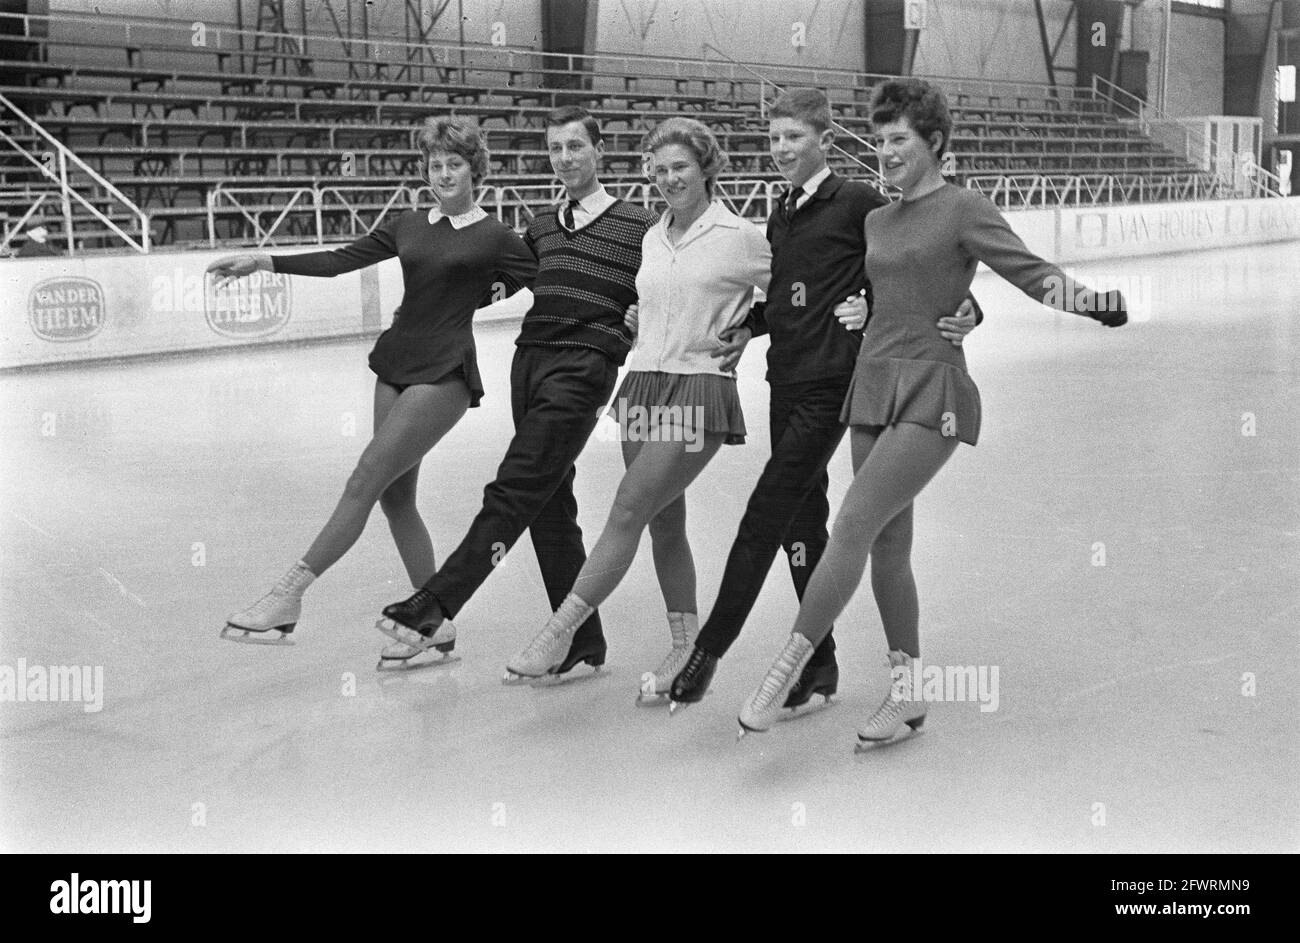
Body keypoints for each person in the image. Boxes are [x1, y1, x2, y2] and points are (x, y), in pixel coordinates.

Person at [736, 78, 1127, 740]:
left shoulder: (962, 208)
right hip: (872, 383)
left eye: (901, 140)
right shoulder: (875, 220)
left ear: (935, 142)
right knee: (888, 543)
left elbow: (1027, 270)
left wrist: (1092, 301)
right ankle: (909, 692)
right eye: (881, 139)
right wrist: (860, 310)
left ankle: (787, 664)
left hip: (932, 390)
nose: (887, 152)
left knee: (854, 519)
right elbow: (879, 288)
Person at [666, 88, 980, 712]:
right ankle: (821, 670)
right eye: (774, 138)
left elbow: (914, 267)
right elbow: (786, 292)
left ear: (826, 142)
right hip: (786, 379)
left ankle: (711, 648)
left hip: (838, 387)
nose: (781, 149)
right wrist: (751, 326)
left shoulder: (859, 202)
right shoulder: (782, 212)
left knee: (770, 507)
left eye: (794, 138)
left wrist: (967, 308)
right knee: (802, 525)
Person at [211, 116, 536, 651]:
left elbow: (538, 280)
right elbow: (342, 261)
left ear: (475, 170)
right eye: (435, 165)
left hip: (445, 374)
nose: (444, 173)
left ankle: (286, 596)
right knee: (394, 498)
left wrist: (487, 297)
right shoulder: (409, 224)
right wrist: (265, 260)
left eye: (455, 164)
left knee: (364, 478)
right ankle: (432, 621)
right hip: (395, 364)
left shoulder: (496, 236)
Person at [374, 107, 659, 670]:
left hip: (585, 365)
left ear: (599, 150)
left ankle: (436, 602)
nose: (565, 159)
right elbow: (496, 283)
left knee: (514, 486)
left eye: (575, 146)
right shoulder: (541, 226)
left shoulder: (641, 225)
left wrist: (643, 317)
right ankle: (582, 640)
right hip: (529, 363)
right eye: (555, 149)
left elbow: (671, 285)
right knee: (550, 503)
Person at [503, 116, 770, 684]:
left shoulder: (740, 236)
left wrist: (755, 325)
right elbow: (652, 298)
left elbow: (803, 290)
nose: (669, 178)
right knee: (661, 522)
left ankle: (560, 633)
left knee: (626, 506)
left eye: (680, 167)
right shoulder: (652, 235)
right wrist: (637, 316)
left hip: (700, 387)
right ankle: (684, 647)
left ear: (706, 169)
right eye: (660, 169)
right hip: (643, 383)